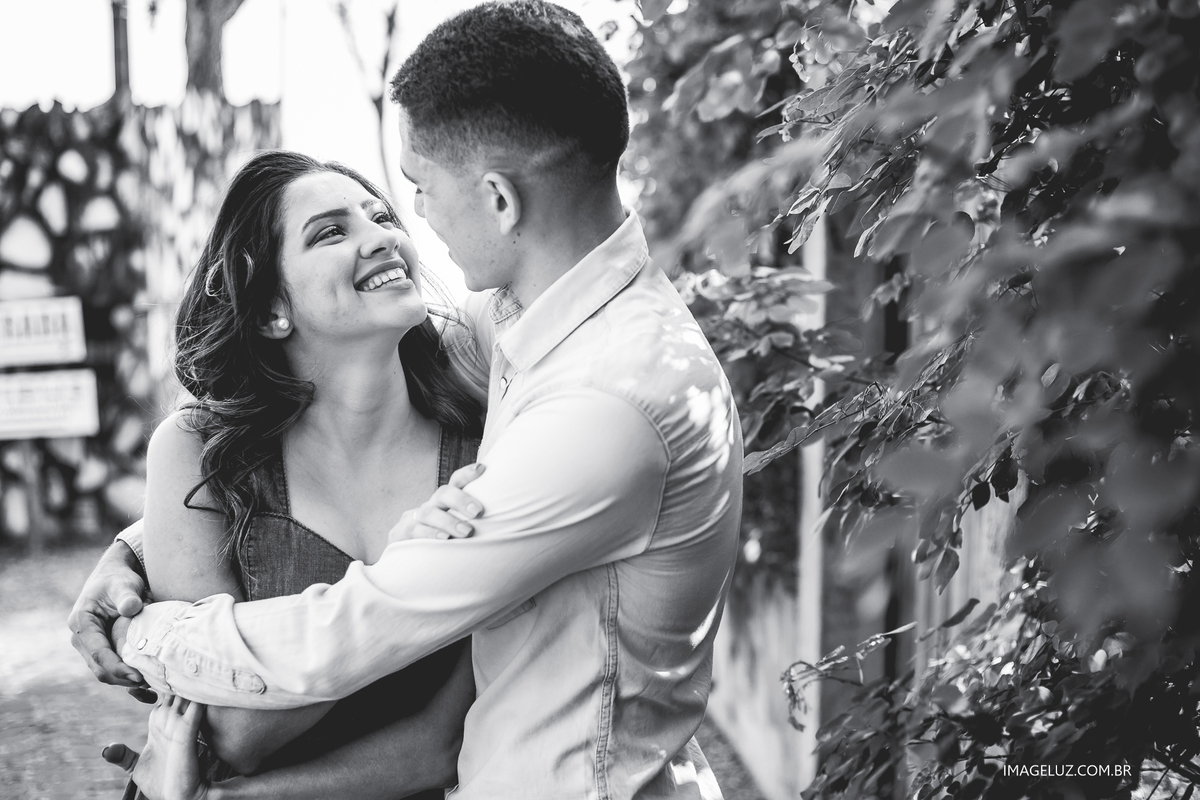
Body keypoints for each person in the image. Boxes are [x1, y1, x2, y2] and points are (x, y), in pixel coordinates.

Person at [71, 2, 743, 797]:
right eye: (333, 230)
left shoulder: (576, 408)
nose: (404, 224)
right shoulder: (528, 334)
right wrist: (136, 551)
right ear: (271, 307)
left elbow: (365, 645)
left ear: (500, 199)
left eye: (410, 193)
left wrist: (144, 632)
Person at [104, 149, 491, 800]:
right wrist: (410, 577)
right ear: (270, 310)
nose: (384, 238)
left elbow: (440, 744)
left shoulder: (481, 446)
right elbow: (230, 733)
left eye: (380, 216)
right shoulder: (201, 457)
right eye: (332, 232)